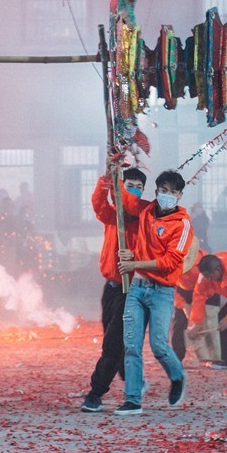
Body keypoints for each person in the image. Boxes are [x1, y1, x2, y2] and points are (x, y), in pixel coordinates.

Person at [114, 170, 195, 415]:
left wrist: (134, 264)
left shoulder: (182, 225)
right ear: (156, 191)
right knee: (131, 346)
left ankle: (177, 375)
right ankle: (132, 399)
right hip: (137, 288)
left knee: (158, 344)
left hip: (162, 291)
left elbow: (170, 261)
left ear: (180, 195)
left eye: (173, 192)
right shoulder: (147, 211)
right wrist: (114, 167)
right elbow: (123, 199)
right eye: (163, 190)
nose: (167, 195)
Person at [80, 167, 145, 413]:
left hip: (130, 289)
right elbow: (98, 203)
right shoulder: (113, 216)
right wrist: (107, 177)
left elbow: (130, 203)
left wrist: (119, 182)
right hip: (110, 287)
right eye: (130, 184)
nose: (133, 189)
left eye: (138, 186)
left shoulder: (142, 217)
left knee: (113, 343)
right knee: (111, 336)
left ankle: (95, 393)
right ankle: (132, 378)